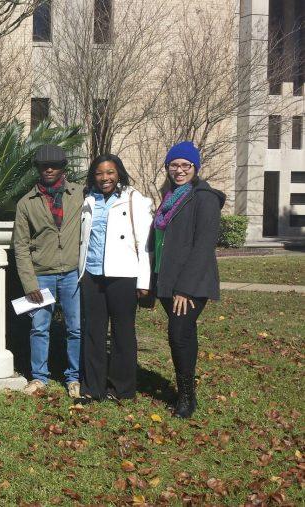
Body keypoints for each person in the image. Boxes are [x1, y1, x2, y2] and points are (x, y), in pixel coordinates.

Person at [151, 141, 224, 419]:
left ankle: (186, 398)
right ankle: (185, 392)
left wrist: (185, 288)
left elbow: (203, 245)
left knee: (178, 335)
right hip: (167, 280)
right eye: (174, 165)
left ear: (195, 167)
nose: (179, 170)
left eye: (186, 165)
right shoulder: (170, 197)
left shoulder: (204, 198)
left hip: (189, 284)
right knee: (184, 334)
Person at [76, 154, 153, 404]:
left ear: (118, 172)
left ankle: (122, 388)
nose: (105, 178)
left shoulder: (134, 199)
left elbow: (145, 243)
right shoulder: (88, 200)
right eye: (99, 173)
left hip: (124, 275)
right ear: (93, 175)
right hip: (92, 275)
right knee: (93, 332)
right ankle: (92, 387)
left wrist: (144, 281)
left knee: (123, 333)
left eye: (110, 172)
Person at [13, 144, 83, 397]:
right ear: (39, 169)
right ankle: (39, 378)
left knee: (75, 328)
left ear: (63, 167)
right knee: (39, 327)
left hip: (73, 273)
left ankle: (74, 378)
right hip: (42, 274)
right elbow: (20, 246)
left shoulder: (80, 194)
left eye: (54, 165)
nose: (49, 169)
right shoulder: (26, 203)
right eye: (45, 166)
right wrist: (30, 284)